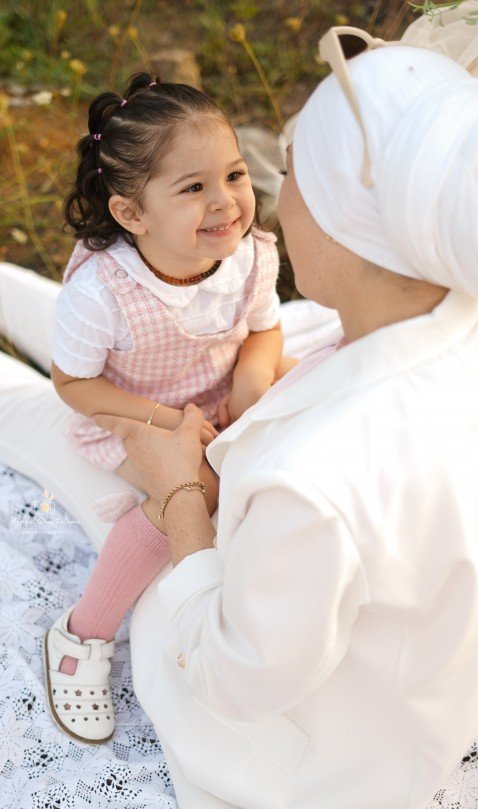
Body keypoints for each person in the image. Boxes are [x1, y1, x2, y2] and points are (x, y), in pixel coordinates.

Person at [92, 25, 478, 809]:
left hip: (333, 749)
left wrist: (179, 500)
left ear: (348, 221)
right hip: (434, 678)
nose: (267, 196)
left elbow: (241, 676)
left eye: (293, 175)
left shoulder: (318, 477)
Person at [43, 71, 296, 744]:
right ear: (132, 214)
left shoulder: (248, 256)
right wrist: (166, 427)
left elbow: (266, 328)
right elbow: (73, 383)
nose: (227, 203)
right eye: (193, 188)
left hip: (219, 392)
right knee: (197, 491)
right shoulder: (103, 290)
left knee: (314, 401)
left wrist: (252, 377)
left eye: (235, 174)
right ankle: (84, 631)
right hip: (137, 415)